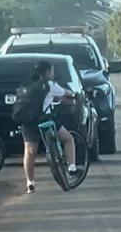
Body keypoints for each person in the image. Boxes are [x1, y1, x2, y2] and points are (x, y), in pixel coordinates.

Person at [20, 61, 79, 193]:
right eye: (52, 71)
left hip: (28, 122)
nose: (53, 74)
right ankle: (72, 167)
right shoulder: (50, 85)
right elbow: (67, 94)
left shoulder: (26, 85)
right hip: (45, 120)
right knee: (68, 139)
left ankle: (30, 183)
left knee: (29, 152)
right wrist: (73, 96)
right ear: (47, 72)